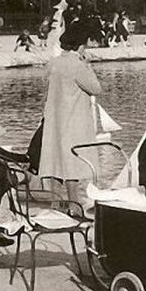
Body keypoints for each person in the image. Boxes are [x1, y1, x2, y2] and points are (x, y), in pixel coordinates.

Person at [38, 23, 102, 203]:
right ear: (81, 45)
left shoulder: (53, 63)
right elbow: (96, 89)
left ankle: (55, 203)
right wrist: (87, 65)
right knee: (73, 162)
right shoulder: (78, 65)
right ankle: (74, 204)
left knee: (55, 160)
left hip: (54, 118)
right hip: (74, 118)